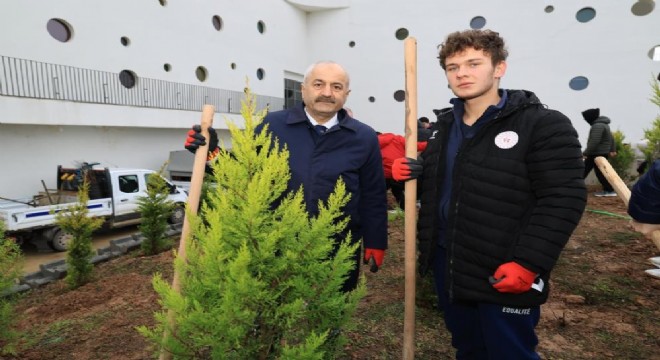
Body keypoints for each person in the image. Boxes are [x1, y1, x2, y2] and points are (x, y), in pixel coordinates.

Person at [392, 29, 587, 359]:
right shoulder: (445, 127)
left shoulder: (542, 124)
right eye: (453, 67)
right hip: (450, 261)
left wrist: (529, 262)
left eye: (473, 63)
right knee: (468, 347)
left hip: (504, 265)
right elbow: (448, 182)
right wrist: (411, 175)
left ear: (499, 68)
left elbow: (563, 197)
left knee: (509, 351)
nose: (462, 73)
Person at [185, 61, 388, 292]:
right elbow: (244, 172)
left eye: (337, 87)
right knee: (274, 309)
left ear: (347, 94)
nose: (327, 93)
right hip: (276, 241)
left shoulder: (363, 136)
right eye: (319, 84)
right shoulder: (273, 125)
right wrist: (211, 152)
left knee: (330, 311)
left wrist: (376, 239)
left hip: (338, 244)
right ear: (304, 89)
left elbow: (373, 194)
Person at [377, 132, 427, 210]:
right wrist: (432, 143)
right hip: (401, 172)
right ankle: (406, 209)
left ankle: (380, 208)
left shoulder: (374, 142)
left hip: (383, 175)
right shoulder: (398, 139)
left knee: (376, 193)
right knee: (398, 191)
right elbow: (418, 146)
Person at [582, 108, 618, 197]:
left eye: (585, 118)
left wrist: (585, 152)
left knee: (589, 171)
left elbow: (594, 141)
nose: (585, 120)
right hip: (600, 153)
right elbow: (611, 137)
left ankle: (609, 190)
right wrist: (612, 149)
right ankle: (609, 190)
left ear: (590, 117)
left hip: (596, 153)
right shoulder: (604, 125)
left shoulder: (597, 126)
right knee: (586, 170)